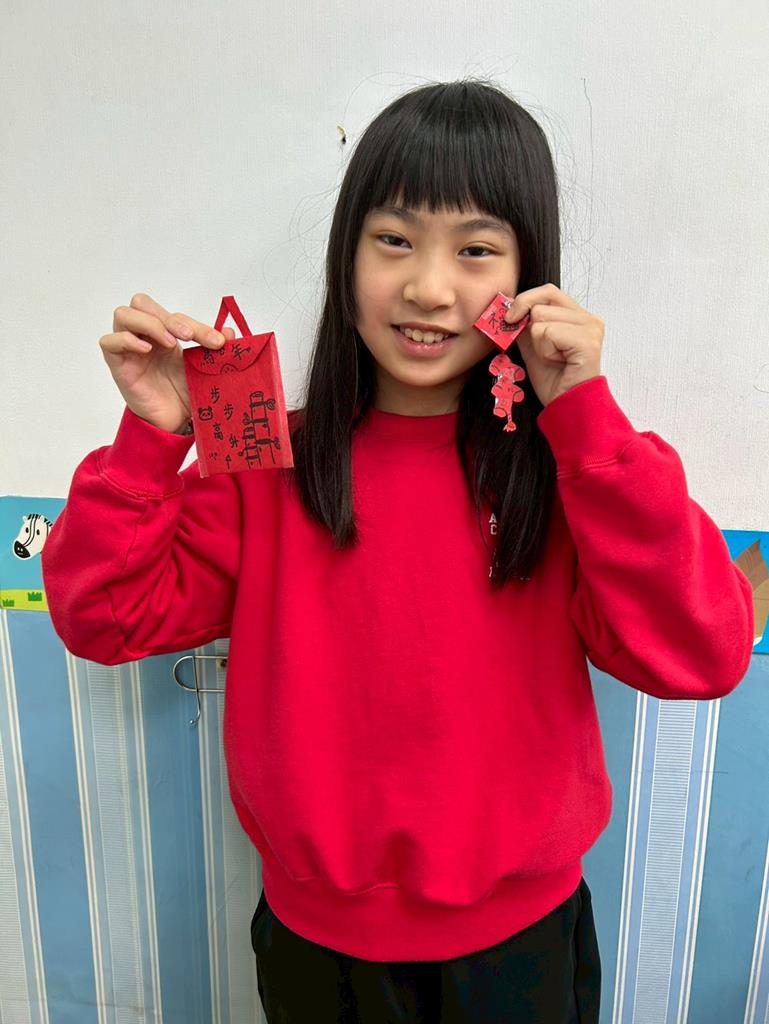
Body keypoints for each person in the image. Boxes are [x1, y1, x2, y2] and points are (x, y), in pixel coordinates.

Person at [41, 79, 755, 1023]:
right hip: (315, 950)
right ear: (346, 257)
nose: (427, 287)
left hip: (519, 948)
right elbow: (104, 619)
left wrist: (586, 417)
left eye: (475, 249)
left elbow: (701, 655)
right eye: (393, 239)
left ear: (528, 278)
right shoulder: (265, 461)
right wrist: (151, 437)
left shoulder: (569, 470)